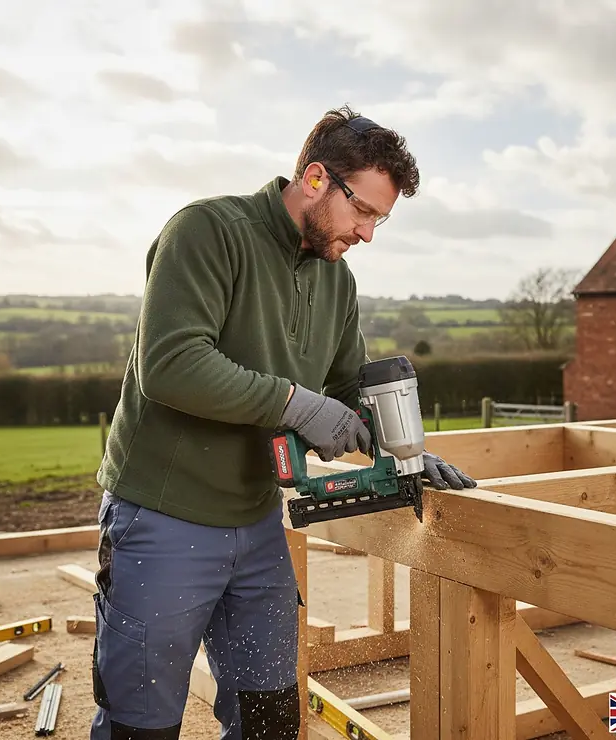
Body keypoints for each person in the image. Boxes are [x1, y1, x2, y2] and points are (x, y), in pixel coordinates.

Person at [90, 105, 476, 740]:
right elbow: (172, 364)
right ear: (317, 179)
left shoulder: (336, 280)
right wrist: (298, 404)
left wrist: (403, 451)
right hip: (164, 517)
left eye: (380, 219)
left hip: (257, 525)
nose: (369, 233)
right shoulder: (208, 231)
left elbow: (350, 388)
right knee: (141, 724)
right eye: (364, 211)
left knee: (270, 718)